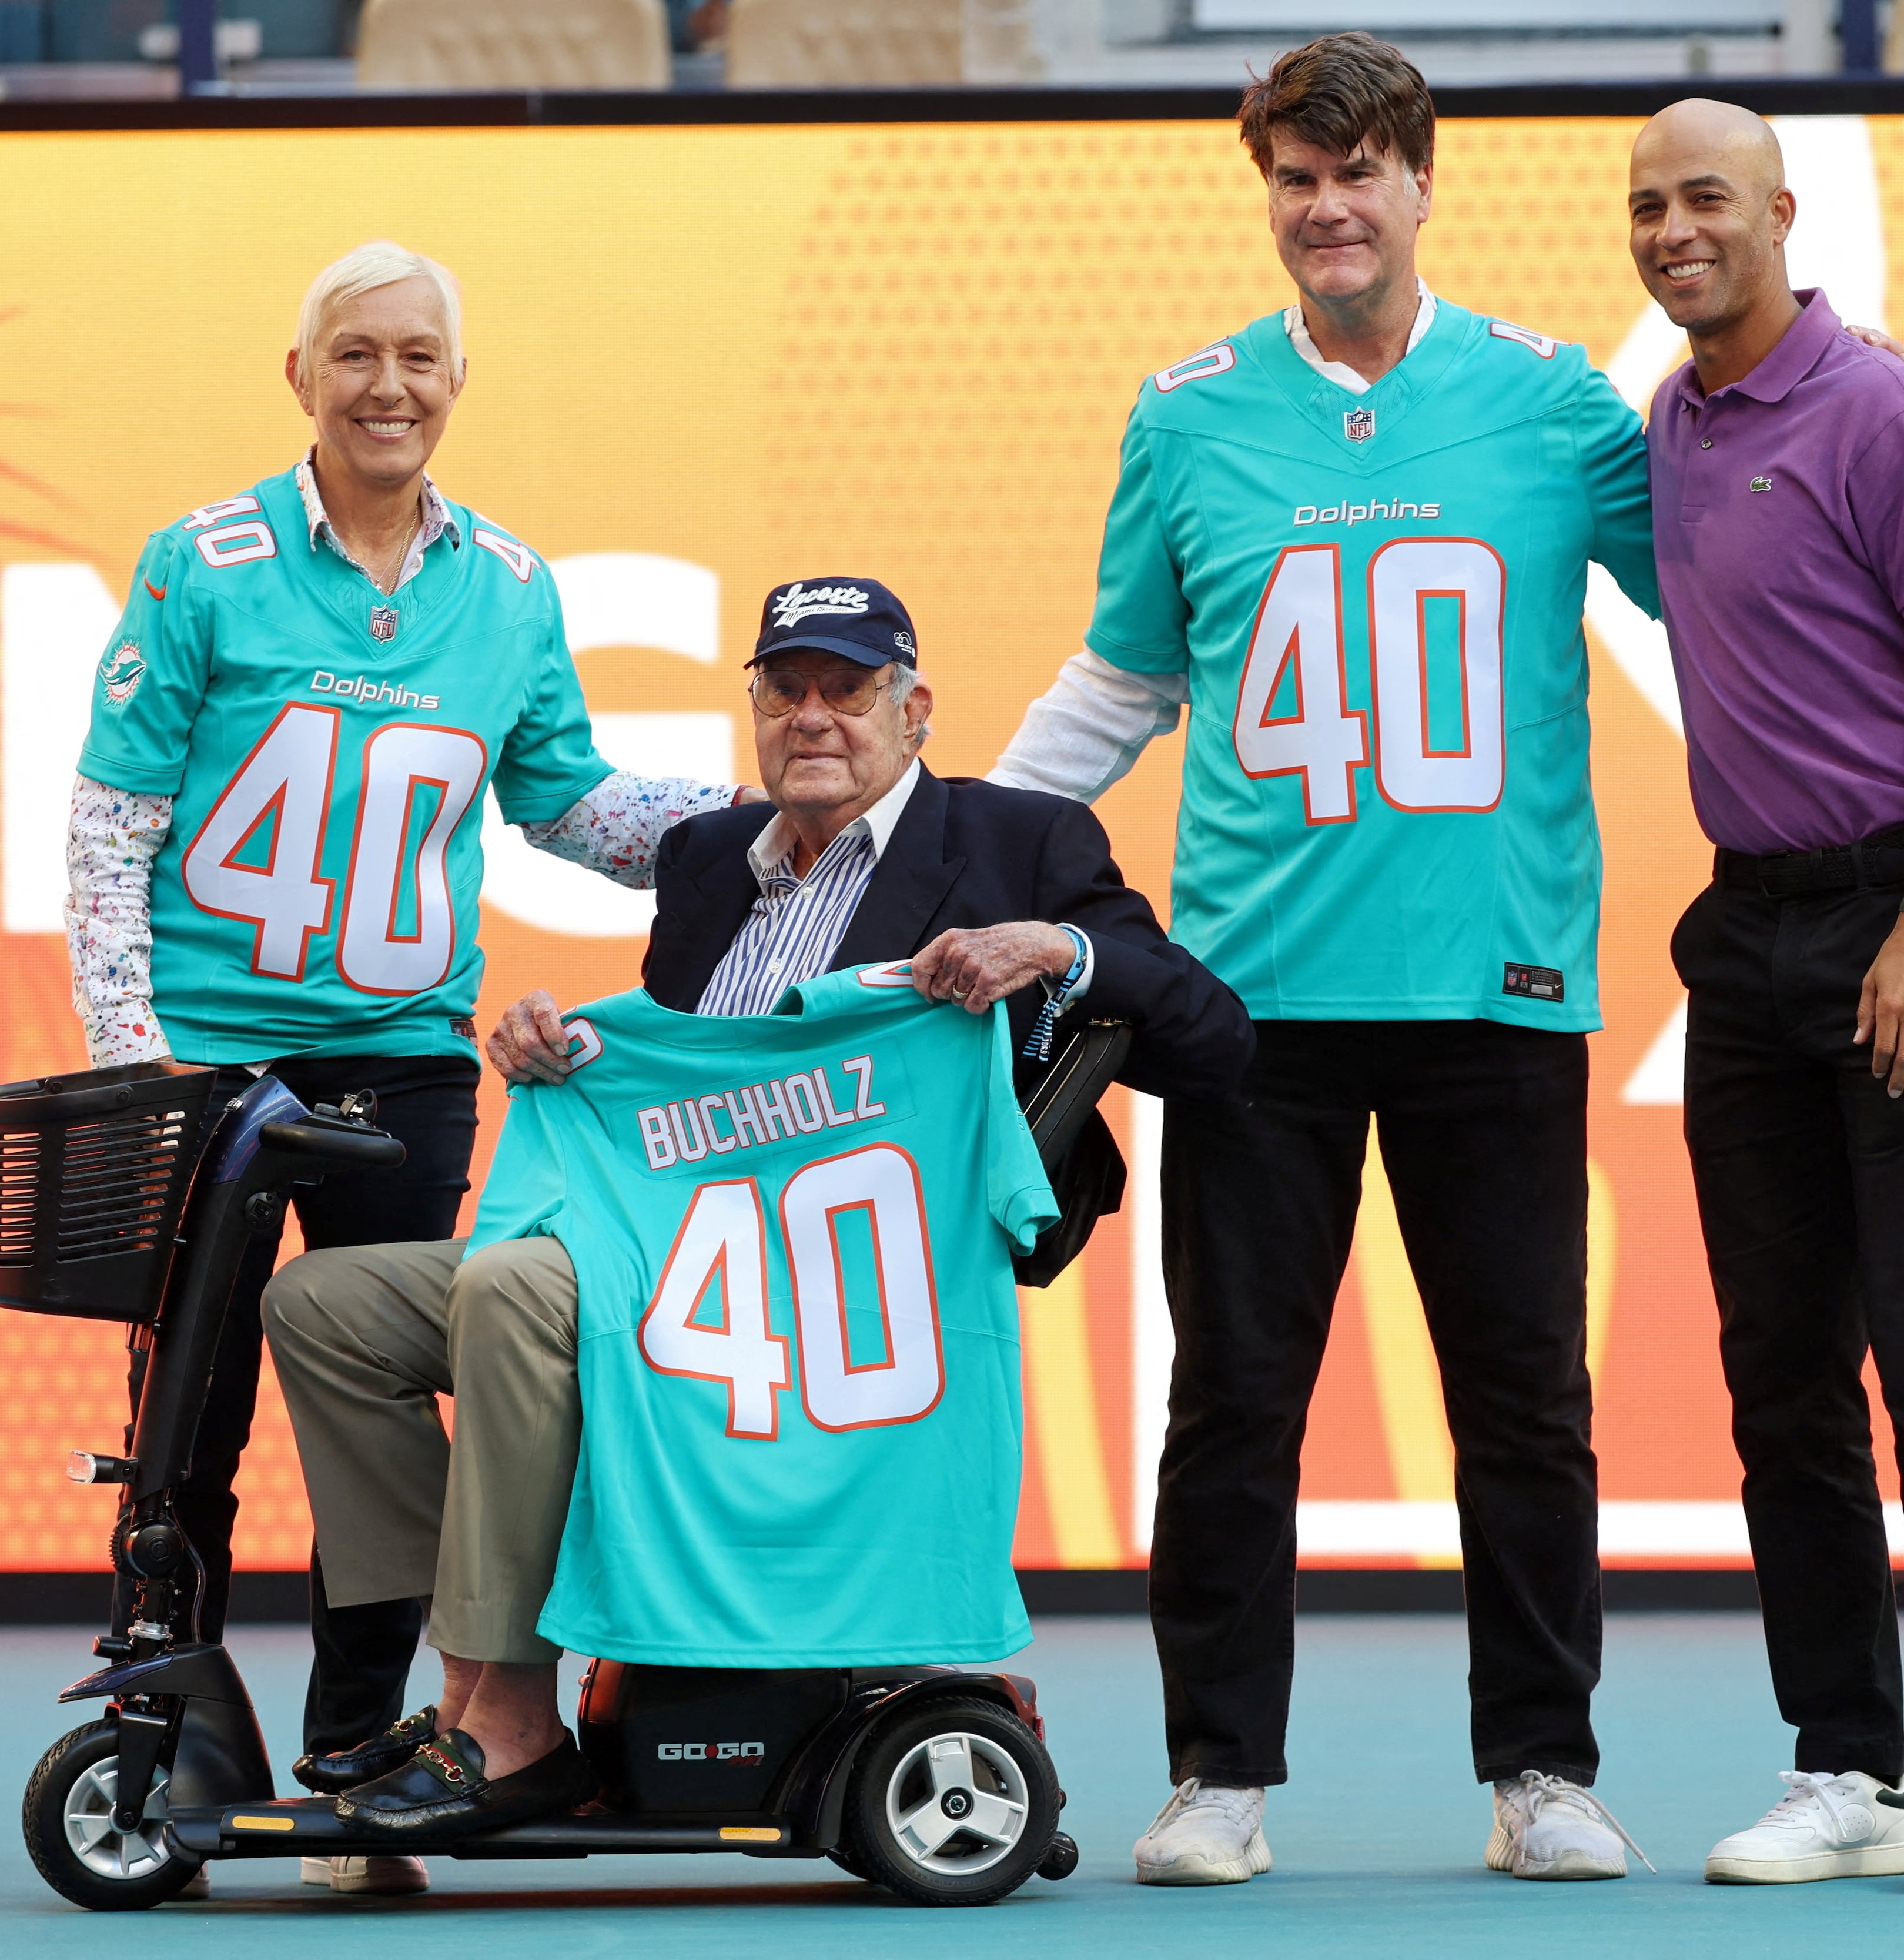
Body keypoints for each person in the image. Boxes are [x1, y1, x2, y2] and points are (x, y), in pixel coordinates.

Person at [259, 574, 1252, 1838]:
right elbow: (677, 1073)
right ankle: (466, 1664)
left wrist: (1054, 949)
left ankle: (503, 1712)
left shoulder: (1019, 843)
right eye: (784, 689)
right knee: (323, 1301)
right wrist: (557, 1046)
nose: (814, 715)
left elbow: (1213, 1036)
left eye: (849, 688)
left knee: (512, 1284)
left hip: (849, 1282)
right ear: (754, 710)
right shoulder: (707, 859)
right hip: (665, 1249)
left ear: (916, 710)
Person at [989, 31, 1662, 1886]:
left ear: (1425, 182)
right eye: (1296, 175)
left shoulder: (1552, 403)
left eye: (1359, 172)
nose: (1328, 206)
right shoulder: (1191, 410)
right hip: (1255, 1001)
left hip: (1495, 989)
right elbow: (1124, 677)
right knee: (1232, 1395)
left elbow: (1732, 609)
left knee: (1523, 1391)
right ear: (1266, 192)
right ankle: (1219, 1768)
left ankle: (1544, 1765)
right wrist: (942, 838)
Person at [63, 239, 745, 1897]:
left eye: (421, 357)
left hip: (404, 1061)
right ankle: (160, 1731)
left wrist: (753, 836)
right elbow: (110, 823)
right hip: (219, 1056)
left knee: (377, 1405)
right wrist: (135, 1056)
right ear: (299, 376)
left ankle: (363, 1755)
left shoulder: (508, 586)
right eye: (356, 354)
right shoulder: (202, 561)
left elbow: (564, 798)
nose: (389, 385)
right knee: (192, 1412)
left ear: (457, 380)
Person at [1624, 101, 1904, 1895]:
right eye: (1645, 207)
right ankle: (1847, 1765)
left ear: (1783, 212)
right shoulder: (1672, 418)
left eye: (1704, 197)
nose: (1671, 229)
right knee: (1780, 1375)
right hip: (1750, 932)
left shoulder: (1876, 404)